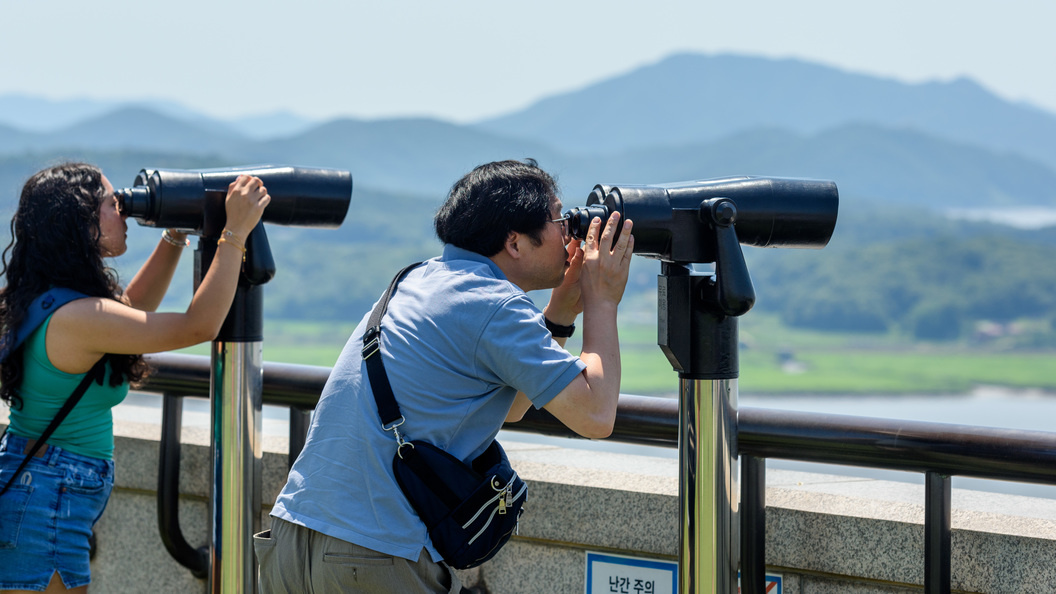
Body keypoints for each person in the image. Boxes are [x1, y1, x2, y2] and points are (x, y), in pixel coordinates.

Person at [256, 159, 634, 593]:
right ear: (514, 242)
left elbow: (509, 406)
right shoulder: (494, 304)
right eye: (560, 220)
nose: (570, 233)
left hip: (292, 538)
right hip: (373, 555)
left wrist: (562, 313)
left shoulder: (418, 279)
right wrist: (602, 299)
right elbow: (596, 414)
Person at [0, 162, 270, 593]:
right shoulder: (79, 317)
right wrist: (234, 232)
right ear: (81, 223)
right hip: (47, 501)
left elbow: (129, 309)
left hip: (39, 488)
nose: (124, 211)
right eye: (112, 204)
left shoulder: (46, 301)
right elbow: (198, 326)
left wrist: (175, 233)